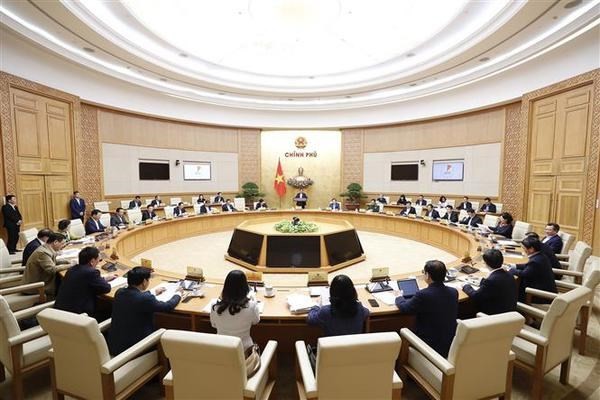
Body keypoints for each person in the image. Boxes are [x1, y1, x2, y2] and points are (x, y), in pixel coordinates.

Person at [108, 267, 182, 355]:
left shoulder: (119, 292)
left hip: (115, 345)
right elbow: (167, 306)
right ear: (144, 282)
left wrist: (153, 292)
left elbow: (135, 297)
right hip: (135, 349)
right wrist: (178, 294)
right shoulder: (145, 299)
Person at [395, 260, 458, 357]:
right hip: (449, 343)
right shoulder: (454, 292)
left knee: (400, 333)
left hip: (428, 346)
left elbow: (405, 309)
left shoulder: (423, 295)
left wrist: (399, 297)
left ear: (427, 275)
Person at [54, 246, 116, 318]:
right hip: (78, 317)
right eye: (98, 260)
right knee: (110, 311)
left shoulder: (71, 269)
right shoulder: (91, 272)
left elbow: (84, 282)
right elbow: (106, 288)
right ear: (92, 261)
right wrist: (102, 280)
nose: (98, 263)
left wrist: (103, 279)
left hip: (60, 314)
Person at [210, 270, 260, 350]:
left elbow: (214, 325)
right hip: (245, 352)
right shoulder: (251, 306)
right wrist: (253, 300)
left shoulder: (215, 306)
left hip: (220, 351)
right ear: (245, 287)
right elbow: (256, 321)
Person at [462, 249, 517, 315]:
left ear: (486, 263)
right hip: (510, 313)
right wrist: (481, 280)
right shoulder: (509, 274)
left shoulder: (491, 281)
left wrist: (465, 286)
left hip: (495, 317)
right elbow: (496, 285)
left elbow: (476, 296)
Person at [508, 236, 557, 302]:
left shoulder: (535, 261)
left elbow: (524, 273)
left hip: (539, 295)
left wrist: (510, 270)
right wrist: (513, 265)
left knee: (511, 289)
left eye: (523, 248)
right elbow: (528, 266)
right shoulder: (540, 255)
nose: (522, 250)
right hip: (544, 287)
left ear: (531, 249)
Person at [21, 233, 70, 298]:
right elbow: (52, 270)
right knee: (69, 283)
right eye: (62, 243)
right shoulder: (43, 253)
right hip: (36, 286)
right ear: (55, 242)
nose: (63, 246)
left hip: (42, 280)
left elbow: (50, 262)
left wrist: (66, 261)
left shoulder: (45, 248)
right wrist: (70, 265)